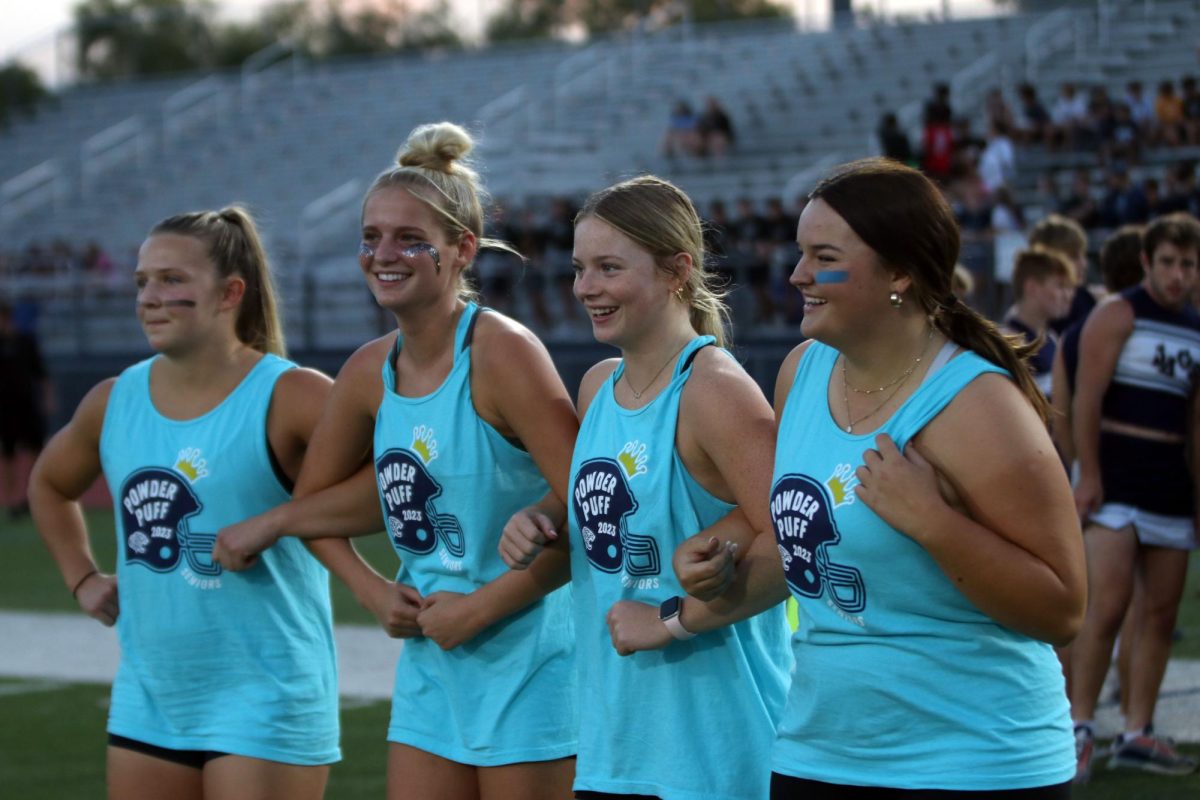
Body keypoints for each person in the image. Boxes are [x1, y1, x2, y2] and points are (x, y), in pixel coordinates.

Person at [607, 158, 1085, 796]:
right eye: (800, 252)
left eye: (823, 256)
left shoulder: (977, 404)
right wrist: (694, 596)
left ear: (899, 273)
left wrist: (935, 524)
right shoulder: (802, 371)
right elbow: (799, 549)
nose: (799, 274)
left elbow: (1061, 609)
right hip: (817, 755)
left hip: (974, 762)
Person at [213, 122, 579, 800]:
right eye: (371, 236)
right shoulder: (365, 372)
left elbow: (590, 511)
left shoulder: (503, 353)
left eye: (411, 239)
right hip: (431, 668)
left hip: (534, 664)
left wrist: (482, 609)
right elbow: (326, 511)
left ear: (461, 250)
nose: (384, 253)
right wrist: (371, 588)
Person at [28, 206, 340, 799]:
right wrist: (82, 578)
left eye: (172, 280)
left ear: (230, 293)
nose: (149, 297)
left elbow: (386, 480)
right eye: (142, 281)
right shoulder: (113, 400)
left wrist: (277, 522)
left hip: (267, 696)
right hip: (151, 698)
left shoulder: (291, 393)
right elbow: (49, 484)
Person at [501, 175, 791, 800]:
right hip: (614, 743)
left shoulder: (713, 389)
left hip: (713, 749)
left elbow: (797, 537)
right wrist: (543, 520)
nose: (586, 289)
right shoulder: (598, 386)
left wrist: (670, 619)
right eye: (580, 268)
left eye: (609, 267)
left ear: (676, 271)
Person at [1068, 212, 1200, 781]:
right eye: (1168, 263)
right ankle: (1078, 727)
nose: (1178, 275)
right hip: (1116, 476)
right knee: (1108, 607)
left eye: (1188, 265)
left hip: (1170, 479)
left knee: (1160, 612)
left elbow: (1196, 422)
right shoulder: (1117, 313)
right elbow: (1087, 402)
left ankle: (1137, 731)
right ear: (1147, 262)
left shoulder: (1196, 328)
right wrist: (1089, 474)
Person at [0, 299, 53, 517]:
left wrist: (48, 399)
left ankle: (29, 497)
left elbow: (41, 373)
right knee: (8, 454)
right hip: (4, 407)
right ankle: (10, 500)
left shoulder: (25, 341)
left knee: (34, 450)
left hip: (27, 405)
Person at [1002, 248, 1076, 398]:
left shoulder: (1051, 337)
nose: (1068, 296)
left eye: (1070, 288)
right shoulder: (1010, 343)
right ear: (1032, 287)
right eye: (1060, 286)